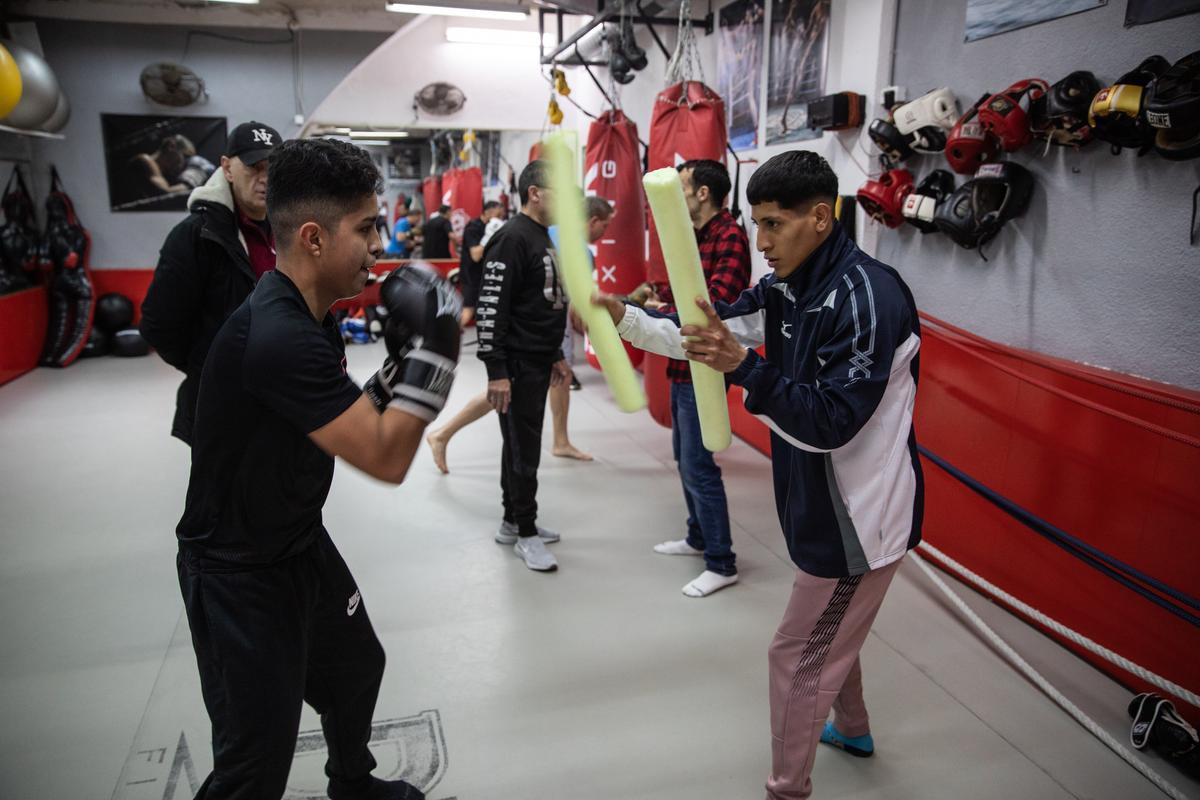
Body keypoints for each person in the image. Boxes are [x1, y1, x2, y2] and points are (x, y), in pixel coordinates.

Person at [595, 150, 923, 798]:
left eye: (774, 224)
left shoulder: (868, 299)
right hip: (819, 503)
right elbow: (709, 331)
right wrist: (627, 319)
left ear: (821, 218)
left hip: (859, 516)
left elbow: (831, 422)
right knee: (831, 631)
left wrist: (745, 368)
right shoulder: (785, 286)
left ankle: (786, 788)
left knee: (796, 654)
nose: (761, 242)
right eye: (757, 224)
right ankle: (852, 730)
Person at [175, 137, 461, 799]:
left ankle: (352, 784)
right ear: (312, 236)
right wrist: (437, 356)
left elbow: (343, 419)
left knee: (356, 668)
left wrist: (397, 368)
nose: (377, 243)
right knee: (255, 762)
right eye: (365, 229)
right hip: (238, 570)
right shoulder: (276, 337)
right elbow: (386, 457)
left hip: (298, 539)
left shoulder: (311, 315)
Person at [424, 195, 612, 472]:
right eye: (605, 226)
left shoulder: (559, 236)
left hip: (542, 326)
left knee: (558, 378)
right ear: (593, 221)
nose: (605, 233)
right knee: (508, 389)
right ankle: (442, 433)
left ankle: (560, 440)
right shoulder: (557, 240)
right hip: (537, 329)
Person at [642, 159, 751, 598]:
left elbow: (714, 307)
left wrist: (648, 316)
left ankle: (721, 562)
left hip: (703, 365)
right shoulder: (695, 236)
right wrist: (658, 297)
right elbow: (689, 293)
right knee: (683, 456)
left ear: (703, 192)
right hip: (680, 363)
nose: (680, 193)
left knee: (699, 463)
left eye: (684, 185)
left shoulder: (729, 236)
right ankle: (697, 536)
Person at [140, 120, 282, 445]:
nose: (265, 178)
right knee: (223, 494)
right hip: (220, 406)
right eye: (254, 166)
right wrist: (212, 369)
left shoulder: (289, 231)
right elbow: (158, 325)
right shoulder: (196, 236)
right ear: (227, 168)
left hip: (281, 400)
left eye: (274, 167)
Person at [476, 159, 572, 572]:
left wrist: (555, 353)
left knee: (517, 443)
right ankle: (526, 534)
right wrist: (496, 370)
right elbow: (491, 306)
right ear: (535, 193)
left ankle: (512, 520)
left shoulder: (540, 236)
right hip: (514, 363)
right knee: (523, 448)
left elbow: (540, 302)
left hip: (537, 357)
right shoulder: (511, 238)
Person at [458, 200, 504, 328]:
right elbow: (476, 256)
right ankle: (447, 338)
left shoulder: (491, 226)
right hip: (471, 276)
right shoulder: (473, 227)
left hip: (487, 275)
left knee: (487, 310)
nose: (501, 218)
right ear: (489, 212)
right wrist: (489, 236)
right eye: (499, 214)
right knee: (468, 310)